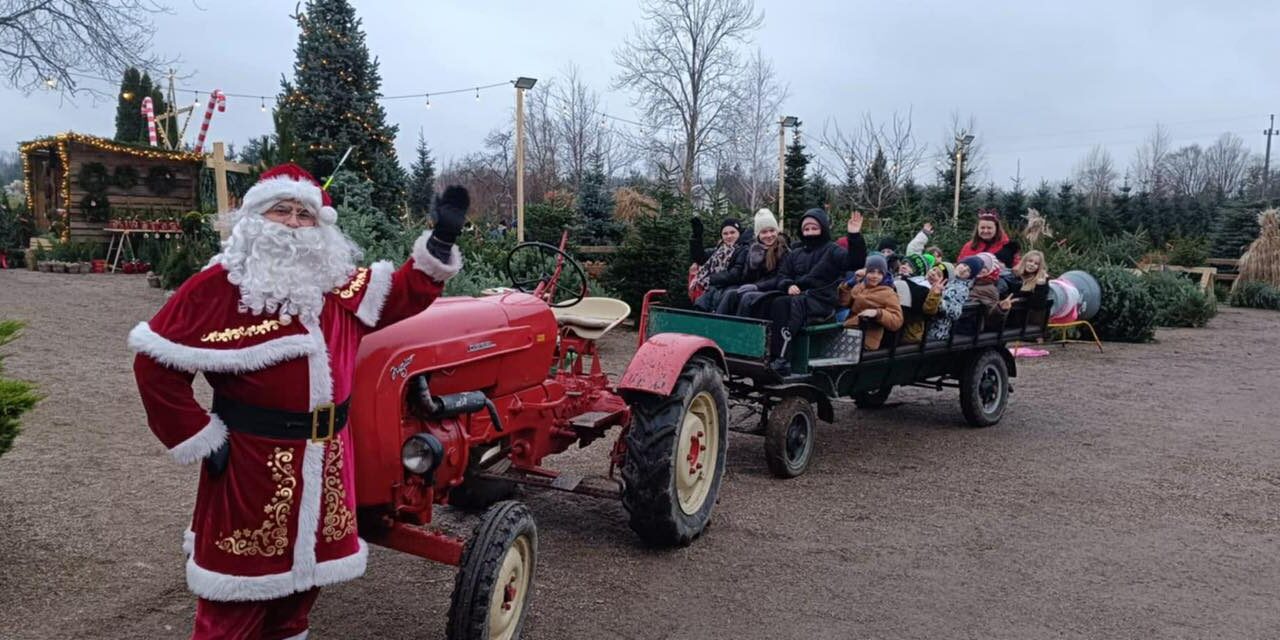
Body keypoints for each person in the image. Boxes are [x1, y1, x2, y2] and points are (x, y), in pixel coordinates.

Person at [128, 163, 468, 640]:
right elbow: (156, 366)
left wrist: (438, 244)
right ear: (254, 219)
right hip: (250, 465)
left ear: (320, 226)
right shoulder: (217, 287)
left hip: (328, 462)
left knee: (298, 598)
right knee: (234, 599)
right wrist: (200, 437)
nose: (291, 222)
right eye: (280, 211)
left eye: (303, 214)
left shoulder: (339, 286)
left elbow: (406, 293)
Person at [751, 208, 847, 375]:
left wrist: (855, 236)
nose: (810, 232)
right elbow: (783, 275)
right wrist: (788, 285)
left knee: (786, 304)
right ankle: (763, 351)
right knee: (769, 301)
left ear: (823, 228)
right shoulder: (796, 253)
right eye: (806, 229)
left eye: (814, 228)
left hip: (821, 300)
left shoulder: (832, 250)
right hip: (799, 296)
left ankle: (783, 358)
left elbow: (853, 261)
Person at [715, 209, 789, 316]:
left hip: (773, 290)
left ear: (777, 231)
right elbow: (746, 278)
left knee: (747, 297)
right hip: (756, 287)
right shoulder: (753, 249)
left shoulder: (783, 250)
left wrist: (757, 286)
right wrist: (752, 264)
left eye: (772, 231)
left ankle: (741, 330)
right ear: (758, 235)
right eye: (764, 232)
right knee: (731, 293)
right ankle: (717, 325)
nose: (769, 235)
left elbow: (780, 277)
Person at [837, 254, 904, 350]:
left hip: (865, 342)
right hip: (849, 334)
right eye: (871, 272)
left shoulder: (888, 293)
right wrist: (850, 283)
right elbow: (843, 302)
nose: (875, 276)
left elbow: (897, 321)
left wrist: (878, 313)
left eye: (880, 273)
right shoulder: (861, 286)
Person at [688, 217, 749, 311]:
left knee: (717, 297)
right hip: (718, 285)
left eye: (732, 232)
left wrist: (711, 278)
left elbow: (736, 274)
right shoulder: (720, 250)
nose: (729, 236)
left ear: (739, 233)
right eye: (725, 233)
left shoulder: (744, 249)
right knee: (701, 303)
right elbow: (700, 258)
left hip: (734, 286)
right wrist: (697, 236)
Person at [928, 256, 981, 341]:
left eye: (968, 270)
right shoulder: (946, 272)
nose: (963, 270)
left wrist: (938, 300)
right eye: (964, 265)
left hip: (937, 329)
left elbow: (955, 312)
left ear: (971, 276)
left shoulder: (962, 289)